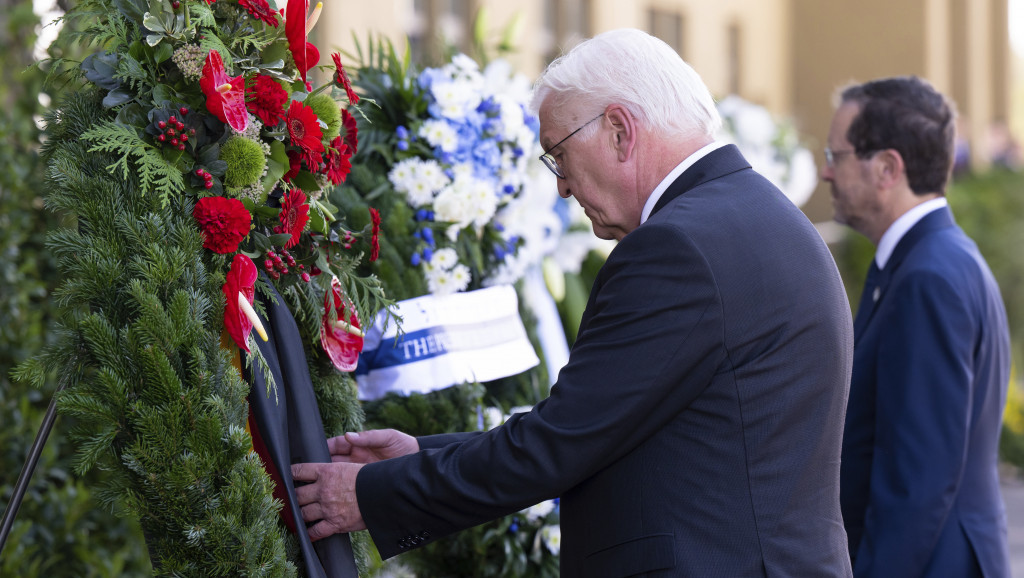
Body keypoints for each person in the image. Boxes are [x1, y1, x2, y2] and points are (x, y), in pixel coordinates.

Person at [293, 28, 854, 577]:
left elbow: (562, 442)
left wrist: (372, 494)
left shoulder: (676, 246)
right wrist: (422, 457)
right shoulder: (761, 216)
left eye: (558, 155)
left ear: (618, 130)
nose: (561, 186)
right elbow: (610, 426)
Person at [824, 76, 1011, 577]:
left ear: (887, 168)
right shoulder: (933, 260)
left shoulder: (927, 278)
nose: (825, 173)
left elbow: (918, 479)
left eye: (835, 155)